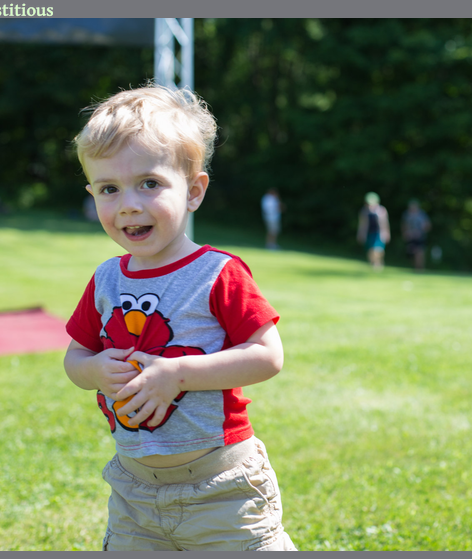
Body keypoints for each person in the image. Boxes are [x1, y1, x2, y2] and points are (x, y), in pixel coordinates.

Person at [63, 85, 297, 551]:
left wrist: (178, 374)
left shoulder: (218, 273)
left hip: (222, 487)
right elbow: (76, 357)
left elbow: (267, 356)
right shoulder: (107, 279)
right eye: (109, 189)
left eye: (149, 183)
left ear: (193, 191)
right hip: (134, 491)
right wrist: (93, 370)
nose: (129, 203)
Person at [357, 192, 390, 270]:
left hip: (379, 233)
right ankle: (374, 264)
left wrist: (387, 233)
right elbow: (362, 225)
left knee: (378, 249)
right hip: (369, 233)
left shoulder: (382, 211)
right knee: (370, 250)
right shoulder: (364, 211)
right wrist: (360, 234)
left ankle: (378, 264)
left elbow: (385, 224)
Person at [401, 199, 431, 271]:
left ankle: (420, 268)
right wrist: (405, 233)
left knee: (420, 252)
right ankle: (415, 267)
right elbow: (404, 225)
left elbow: (428, 225)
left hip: (420, 237)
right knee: (411, 253)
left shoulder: (422, 215)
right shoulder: (407, 214)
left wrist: (422, 230)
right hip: (410, 237)